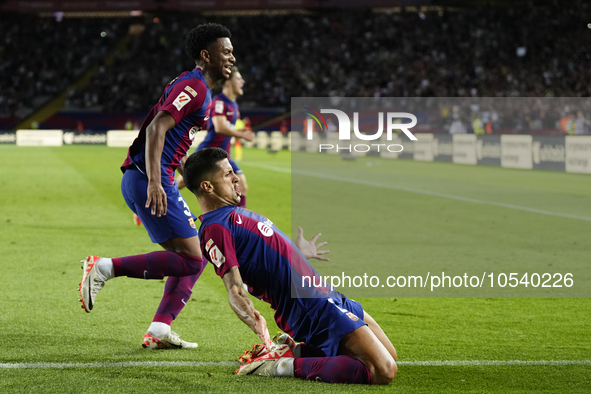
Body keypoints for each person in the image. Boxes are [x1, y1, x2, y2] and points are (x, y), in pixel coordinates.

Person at [78, 23, 237, 349]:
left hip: (149, 177)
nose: (232, 56)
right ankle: (104, 268)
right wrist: (156, 182)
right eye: (226, 51)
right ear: (206, 55)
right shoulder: (193, 85)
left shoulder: (199, 88)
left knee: (193, 256)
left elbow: (176, 143)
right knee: (194, 259)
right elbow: (157, 129)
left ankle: (160, 329)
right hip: (148, 178)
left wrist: (186, 180)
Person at [183, 147, 397, 385]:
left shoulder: (231, 213)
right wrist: (254, 320)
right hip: (308, 305)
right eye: (227, 174)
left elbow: (261, 255)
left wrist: (298, 254)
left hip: (324, 292)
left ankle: (293, 352)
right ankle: (278, 365)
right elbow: (234, 287)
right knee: (382, 371)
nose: (236, 178)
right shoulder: (215, 228)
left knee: (390, 355)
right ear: (207, 186)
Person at [177, 66, 254, 208]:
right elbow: (219, 127)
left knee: (241, 185)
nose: (242, 81)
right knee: (184, 181)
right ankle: (152, 200)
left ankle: (238, 223)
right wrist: (241, 134)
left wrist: (239, 131)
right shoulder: (219, 101)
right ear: (229, 82)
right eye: (238, 78)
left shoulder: (234, 105)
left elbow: (226, 127)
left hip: (223, 156)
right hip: (209, 152)